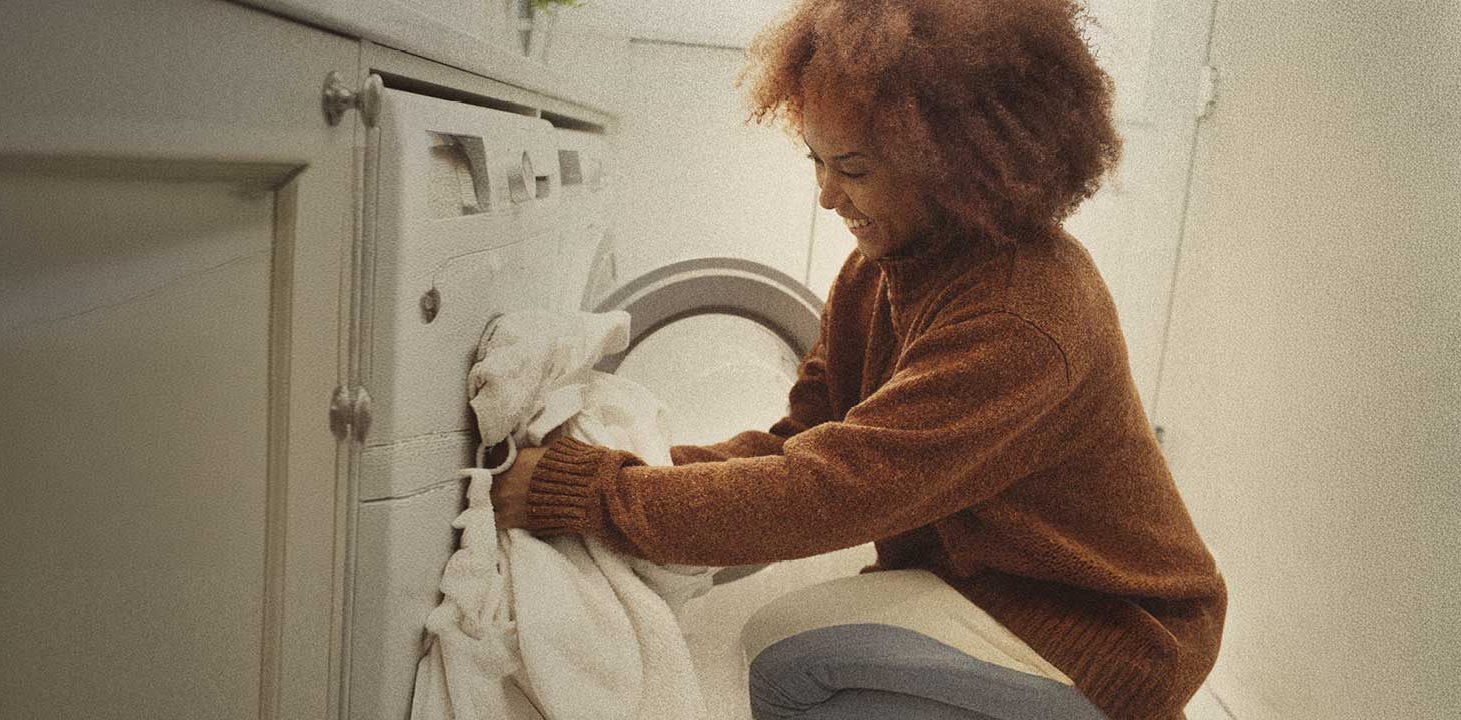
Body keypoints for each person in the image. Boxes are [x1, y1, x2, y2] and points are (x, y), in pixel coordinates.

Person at [490, 1, 1226, 718]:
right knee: (781, 644)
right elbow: (800, 443)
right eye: (816, 159)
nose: (826, 196)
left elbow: (833, 489)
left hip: (1106, 630)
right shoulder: (881, 269)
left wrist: (595, 496)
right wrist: (633, 470)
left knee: (787, 666)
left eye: (853, 168)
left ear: (956, 165)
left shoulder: (1019, 316)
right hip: (1000, 581)